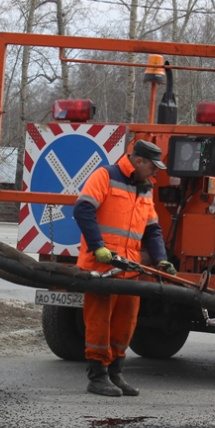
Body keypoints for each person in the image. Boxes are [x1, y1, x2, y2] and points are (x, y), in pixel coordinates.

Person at [73, 139, 176, 397]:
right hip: (101, 267)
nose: (155, 173)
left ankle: (115, 373)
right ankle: (97, 377)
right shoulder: (105, 176)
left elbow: (152, 229)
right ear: (138, 161)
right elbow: (83, 209)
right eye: (153, 167)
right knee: (99, 322)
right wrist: (97, 246)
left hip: (130, 270)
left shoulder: (145, 188)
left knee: (125, 324)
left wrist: (161, 259)